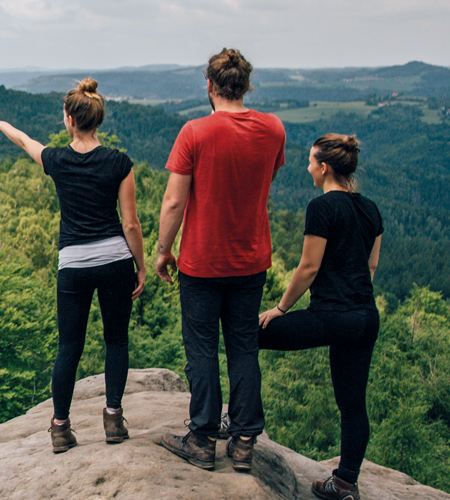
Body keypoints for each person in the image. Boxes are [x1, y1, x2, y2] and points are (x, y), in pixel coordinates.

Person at [0, 78, 148, 453]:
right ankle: (112, 420)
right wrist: (139, 265)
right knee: (116, 340)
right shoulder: (119, 163)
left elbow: (26, 141)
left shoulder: (57, 160)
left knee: (68, 347)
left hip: (72, 263)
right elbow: (131, 224)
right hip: (114, 261)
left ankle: (60, 428)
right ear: (97, 120)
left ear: (70, 120)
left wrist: (0, 125)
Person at [155, 48, 286, 472]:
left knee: (202, 349)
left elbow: (174, 201)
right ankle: (244, 441)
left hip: (202, 261)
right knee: (244, 346)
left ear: (209, 86)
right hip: (251, 258)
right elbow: (266, 177)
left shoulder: (195, 132)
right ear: (246, 86)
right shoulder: (273, 130)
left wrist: (163, 250)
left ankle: (203, 438)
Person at [257, 134, 382, 500]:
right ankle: (344, 483)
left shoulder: (322, 207)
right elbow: (371, 265)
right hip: (365, 317)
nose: (307, 167)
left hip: (330, 314)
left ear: (324, 167)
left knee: (248, 335)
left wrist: (280, 309)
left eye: (310, 161)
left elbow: (309, 267)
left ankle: (240, 421)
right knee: (353, 404)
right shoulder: (371, 208)